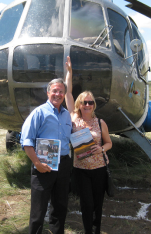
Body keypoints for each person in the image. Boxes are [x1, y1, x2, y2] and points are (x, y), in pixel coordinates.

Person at [65, 56, 112, 234]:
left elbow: (109, 143)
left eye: (90, 102)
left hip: (99, 168)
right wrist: (69, 73)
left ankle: (96, 230)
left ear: (93, 106)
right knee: (87, 203)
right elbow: (68, 93)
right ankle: (88, 231)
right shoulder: (74, 118)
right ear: (79, 104)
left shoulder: (101, 123)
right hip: (81, 169)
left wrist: (101, 148)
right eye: (84, 102)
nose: (87, 104)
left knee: (98, 203)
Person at [20, 78, 72, 234]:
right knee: (38, 210)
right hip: (43, 166)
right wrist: (37, 163)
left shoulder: (66, 115)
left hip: (63, 165)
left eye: (61, 91)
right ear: (48, 92)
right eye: (54, 91)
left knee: (60, 207)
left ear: (64, 94)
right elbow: (27, 141)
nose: (57, 94)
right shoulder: (39, 113)